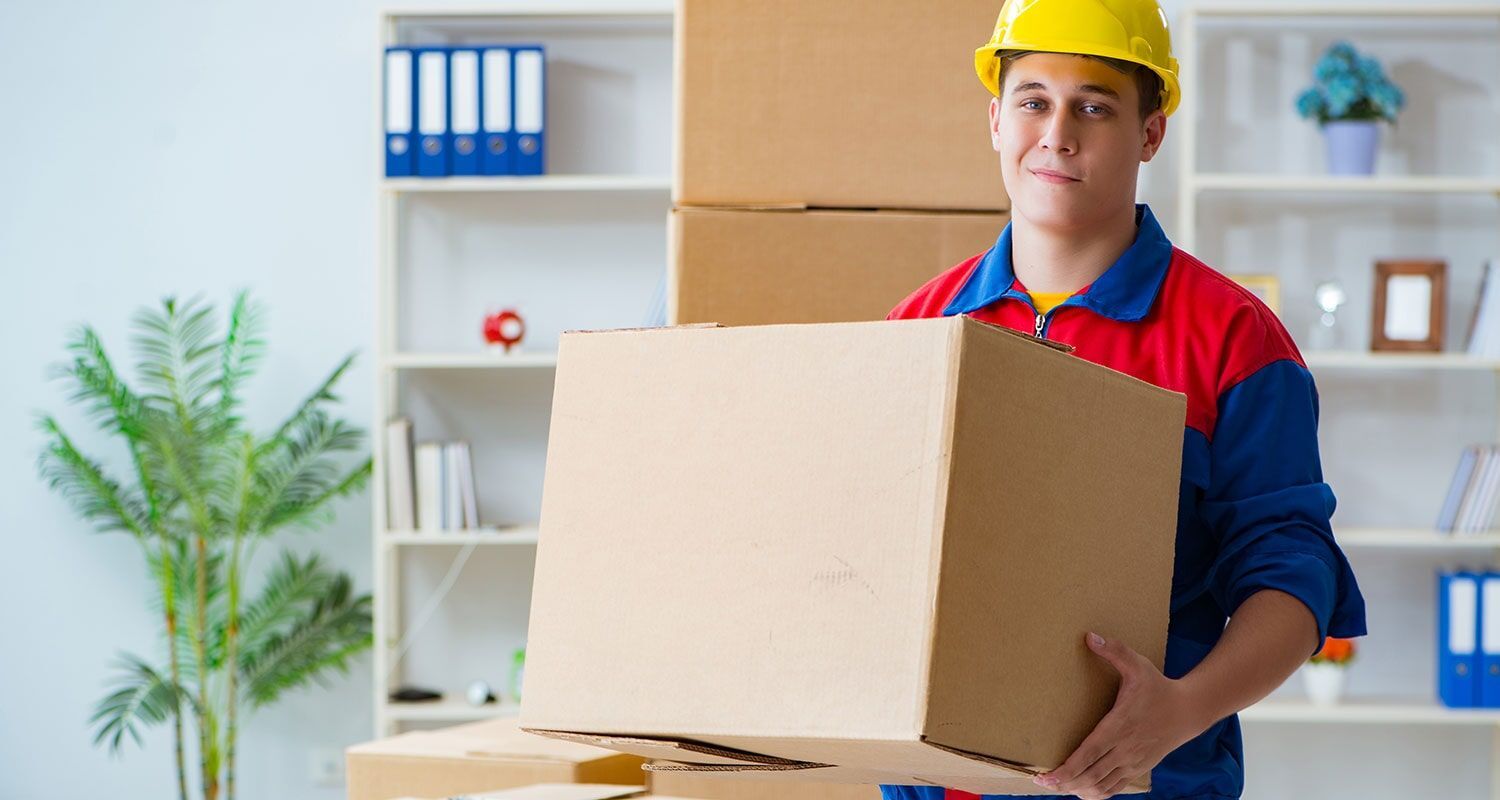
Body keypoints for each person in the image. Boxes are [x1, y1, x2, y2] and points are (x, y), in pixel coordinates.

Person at [880, 1, 1367, 798]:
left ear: (1150, 134)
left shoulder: (1234, 340)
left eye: (1094, 106)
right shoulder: (920, 328)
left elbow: (1292, 572)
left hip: (1150, 784)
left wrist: (1178, 712)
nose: (1057, 133)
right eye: (1034, 100)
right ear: (996, 119)